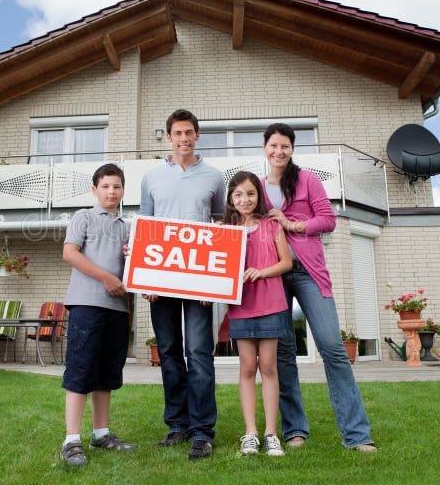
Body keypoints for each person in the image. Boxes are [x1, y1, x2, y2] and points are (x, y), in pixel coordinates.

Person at [262, 123, 377, 453]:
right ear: (264, 149)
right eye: (273, 146)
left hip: (309, 272)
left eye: (285, 146)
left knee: (332, 348)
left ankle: (356, 434)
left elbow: (327, 219)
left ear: (292, 149)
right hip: (274, 275)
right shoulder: (257, 186)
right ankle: (294, 429)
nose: (279, 151)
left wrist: (291, 224)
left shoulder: (307, 180)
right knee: (283, 354)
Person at [139, 109, 226, 461]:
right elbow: (146, 226)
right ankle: (177, 424)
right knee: (170, 352)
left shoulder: (215, 177)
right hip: (161, 279)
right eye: (177, 133)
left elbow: (221, 228)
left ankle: (202, 431)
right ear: (169, 137)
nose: (184, 138)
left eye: (189, 132)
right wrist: (146, 278)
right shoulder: (152, 177)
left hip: (199, 281)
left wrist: (213, 284)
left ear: (197, 135)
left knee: (200, 354)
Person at [59, 163, 136, 467]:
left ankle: (101, 434)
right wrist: (105, 278)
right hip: (87, 305)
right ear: (95, 189)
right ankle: (72, 440)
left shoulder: (128, 227)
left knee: (106, 374)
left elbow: (133, 270)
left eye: (116, 186)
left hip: (117, 309)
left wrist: (133, 258)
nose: (111, 191)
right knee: (81, 369)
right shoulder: (84, 217)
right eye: (105, 186)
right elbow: (70, 253)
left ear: (122, 191)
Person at [222, 171, 291, 456]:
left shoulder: (272, 225)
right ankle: (250, 433)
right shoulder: (224, 229)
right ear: (230, 199)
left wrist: (262, 272)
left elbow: (286, 262)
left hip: (271, 305)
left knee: (269, 367)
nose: (245, 199)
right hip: (241, 307)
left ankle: (271, 433)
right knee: (247, 367)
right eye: (238, 194)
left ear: (258, 195)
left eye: (250, 193)